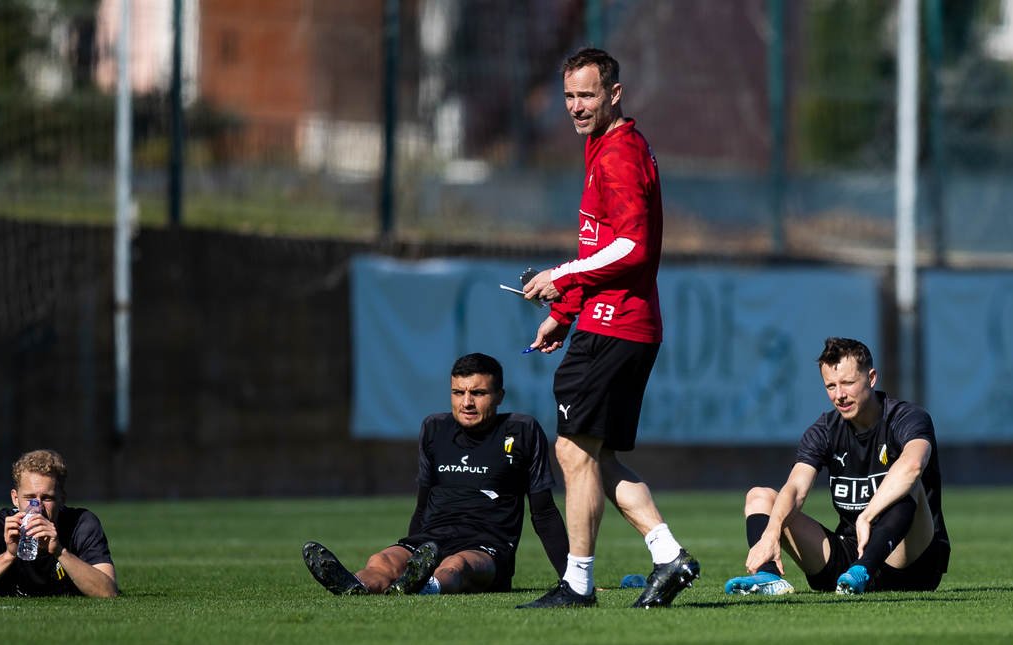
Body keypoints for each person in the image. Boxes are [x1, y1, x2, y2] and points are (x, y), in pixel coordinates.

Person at [517, 47, 698, 610]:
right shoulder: (605, 146)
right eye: (569, 95)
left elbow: (630, 246)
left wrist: (560, 275)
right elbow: (603, 243)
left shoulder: (619, 153)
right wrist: (564, 311)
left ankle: (578, 583)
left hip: (615, 326)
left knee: (572, 452)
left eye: (587, 95)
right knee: (596, 456)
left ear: (614, 94)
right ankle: (668, 556)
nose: (575, 106)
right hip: (620, 323)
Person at [301, 353, 570, 596]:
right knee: (381, 561)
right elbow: (423, 504)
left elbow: (544, 512)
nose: (466, 402)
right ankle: (355, 586)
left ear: (499, 395)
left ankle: (424, 588)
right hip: (431, 541)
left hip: (486, 547)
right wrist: (412, 555)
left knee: (456, 565)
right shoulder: (435, 428)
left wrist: (572, 578)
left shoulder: (522, 430)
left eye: (477, 393)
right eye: (458, 392)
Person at [724, 336, 950, 598]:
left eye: (848, 383)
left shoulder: (907, 417)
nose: (839, 395)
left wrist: (867, 516)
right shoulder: (825, 430)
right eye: (831, 386)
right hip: (849, 556)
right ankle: (768, 577)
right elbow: (796, 489)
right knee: (759, 496)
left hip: (908, 561)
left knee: (909, 485)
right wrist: (771, 535)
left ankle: (863, 569)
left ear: (872, 378)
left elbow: (912, 465)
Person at [0, 449, 118, 599]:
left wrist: (59, 551)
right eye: (29, 498)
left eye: (47, 498)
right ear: (15, 498)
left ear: (62, 499)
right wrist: (8, 555)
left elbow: (108, 591)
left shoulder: (82, 524)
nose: (37, 507)